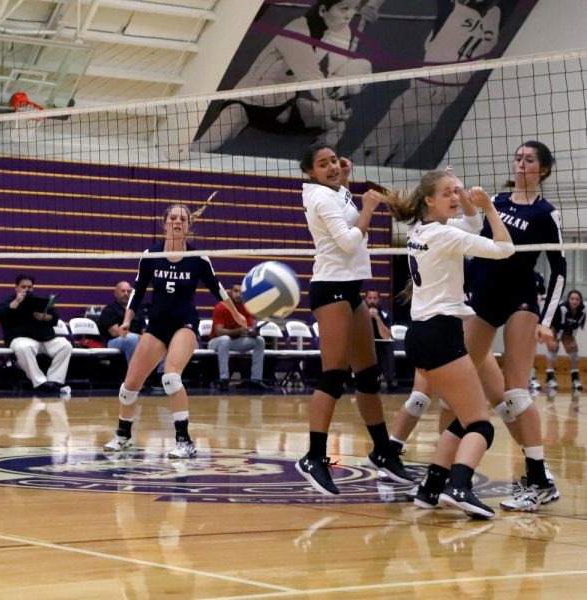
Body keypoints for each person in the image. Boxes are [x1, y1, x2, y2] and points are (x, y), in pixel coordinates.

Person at [382, 170, 514, 518]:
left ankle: (431, 487)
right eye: (447, 193)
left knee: (460, 419)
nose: (455, 197)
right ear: (428, 199)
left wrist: (466, 200)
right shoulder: (444, 235)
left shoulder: (420, 231)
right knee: (481, 426)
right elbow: (504, 248)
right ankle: (458, 486)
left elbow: (466, 227)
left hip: (420, 335)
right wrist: (489, 208)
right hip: (441, 335)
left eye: (457, 192)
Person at [294, 141, 411, 496]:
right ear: (309, 172)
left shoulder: (335, 190)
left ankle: (383, 451)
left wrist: (345, 179)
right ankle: (314, 457)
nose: (331, 167)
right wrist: (369, 208)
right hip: (330, 290)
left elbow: (342, 206)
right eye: (323, 164)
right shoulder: (319, 198)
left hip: (351, 289)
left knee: (368, 376)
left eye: (333, 161)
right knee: (334, 376)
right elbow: (347, 242)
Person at [463, 141, 564, 512]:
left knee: (516, 392)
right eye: (519, 158)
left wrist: (548, 321)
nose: (522, 164)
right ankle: (443, 474)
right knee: (460, 376)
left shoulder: (544, 214)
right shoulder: (498, 201)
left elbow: (559, 269)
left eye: (530, 159)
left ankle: (537, 479)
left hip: (521, 302)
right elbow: (480, 246)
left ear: (544, 169)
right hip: (485, 300)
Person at [103, 204, 246, 459]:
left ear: (189, 226)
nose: (178, 221)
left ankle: (185, 441)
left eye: (183, 218)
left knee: (170, 378)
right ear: (165, 222)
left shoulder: (198, 258)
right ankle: (123, 436)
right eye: (173, 217)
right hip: (156, 326)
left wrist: (236, 314)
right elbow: (138, 291)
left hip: (185, 325)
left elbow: (218, 289)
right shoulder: (150, 255)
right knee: (129, 386)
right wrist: (127, 319)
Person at [192, 0, 374, 153]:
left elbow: (336, 72)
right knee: (204, 148)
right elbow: (310, 76)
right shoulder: (297, 30)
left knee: (337, 125)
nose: (349, 15)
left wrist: (342, 94)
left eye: (354, 9)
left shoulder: (342, 31)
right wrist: (329, 102)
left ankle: (314, 162)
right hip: (245, 105)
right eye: (344, 8)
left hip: (283, 108)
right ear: (323, 10)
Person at [352, 0, 502, 167]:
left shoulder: (481, 14)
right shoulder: (469, 13)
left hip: (432, 104)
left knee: (388, 161)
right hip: (425, 100)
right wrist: (373, 4)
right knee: (378, 157)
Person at [0, 275, 72, 395]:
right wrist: (17, 301)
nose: (27, 289)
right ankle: (40, 382)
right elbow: (1, 316)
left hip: (45, 338)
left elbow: (54, 317)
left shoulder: (39, 300)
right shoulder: (8, 301)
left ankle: (55, 381)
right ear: (16, 288)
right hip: (21, 338)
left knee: (65, 345)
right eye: (23, 286)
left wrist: (45, 317)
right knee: (23, 347)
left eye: (30, 287)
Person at [208, 283, 268, 391]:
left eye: (241, 292)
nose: (238, 294)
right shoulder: (221, 307)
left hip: (234, 342)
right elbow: (219, 332)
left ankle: (256, 380)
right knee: (225, 340)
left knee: (259, 340)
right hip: (215, 342)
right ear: (230, 293)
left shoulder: (245, 308)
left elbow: (249, 328)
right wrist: (239, 331)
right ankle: (224, 380)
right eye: (236, 291)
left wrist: (253, 332)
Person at [545, 289, 585, 391]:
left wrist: (571, 342)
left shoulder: (583, 310)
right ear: (568, 300)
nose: (575, 301)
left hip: (568, 330)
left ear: (580, 301)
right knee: (553, 348)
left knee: (574, 350)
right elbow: (560, 326)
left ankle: (575, 379)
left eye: (577, 299)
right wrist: (556, 342)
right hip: (555, 327)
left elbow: (576, 328)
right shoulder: (563, 308)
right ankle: (550, 378)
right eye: (572, 299)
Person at [98, 281, 147, 363]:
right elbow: (116, 332)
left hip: (137, 339)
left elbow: (144, 330)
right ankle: (133, 372)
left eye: (128, 291)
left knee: (159, 340)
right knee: (132, 339)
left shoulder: (137, 310)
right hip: (115, 341)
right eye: (123, 291)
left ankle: (162, 372)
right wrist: (139, 337)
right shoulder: (109, 310)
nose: (126, 294)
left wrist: (148, 338)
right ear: (116, 293)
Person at [364, 289, 398, 391]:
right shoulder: (359, 312)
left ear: (379, 300)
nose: (372, 301)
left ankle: (390, 379)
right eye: (370, 298)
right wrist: (366, 318)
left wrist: (377, 318)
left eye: (375, 298)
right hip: (364, 344)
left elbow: (386, 336)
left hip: (380, 344)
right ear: (366, 299)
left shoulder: (385, 313)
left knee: (388, 347)